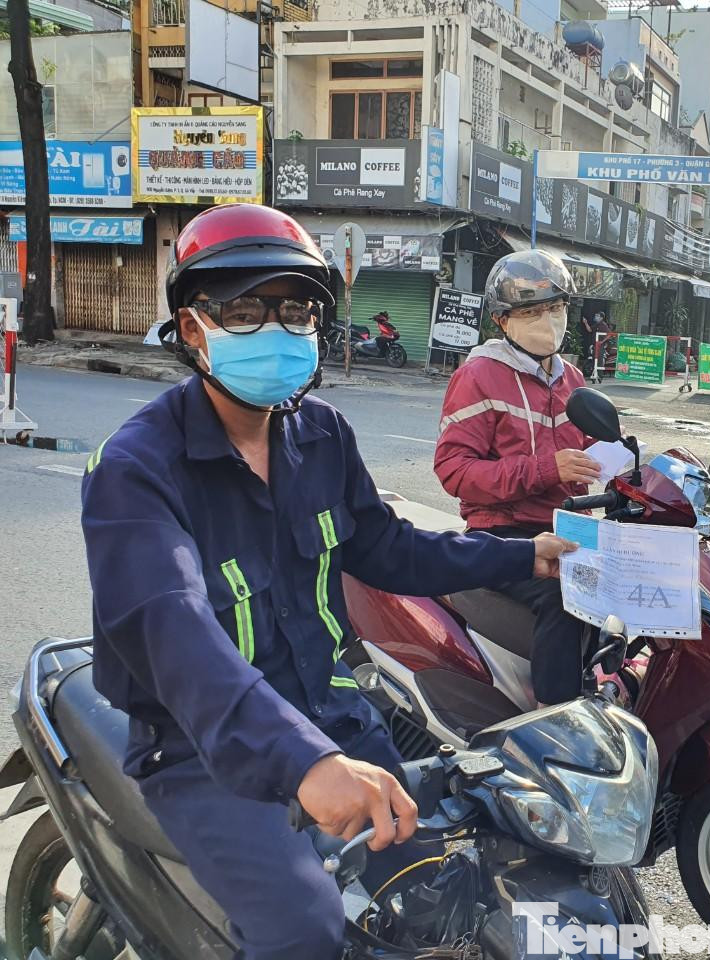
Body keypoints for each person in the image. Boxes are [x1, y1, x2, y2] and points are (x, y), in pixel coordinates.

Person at [81, 204, 574, 960]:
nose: (276, 330)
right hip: (203, 751)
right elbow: (173, 632)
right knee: (302, 931)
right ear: (192, 329)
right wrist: (303, 761)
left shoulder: (322, 435)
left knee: (440, 898)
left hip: (335, 717)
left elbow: (390, 549)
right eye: (244, 311)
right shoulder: (136, 467)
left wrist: (519, 556)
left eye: (296, 311)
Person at [434, 250, 606, 708]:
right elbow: (455, 471)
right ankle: (557, 717)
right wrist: (548, 468)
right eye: (531, 312)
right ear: (502, 320)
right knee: (563, 594)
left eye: (556, 307)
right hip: (503, 531)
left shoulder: (571, 378)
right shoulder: (478, 376)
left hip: (569, 527)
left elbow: (592, 448)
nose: (547, 320)